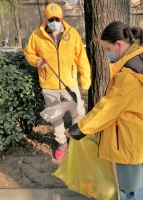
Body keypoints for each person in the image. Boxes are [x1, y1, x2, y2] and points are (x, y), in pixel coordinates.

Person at [65, 21, 143, 200]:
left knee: (131, 190)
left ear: (119, 44)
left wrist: (81, 128)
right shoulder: (141, 61)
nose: (107, 54)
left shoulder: (129, 75)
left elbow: (109, 107)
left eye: (107, 48)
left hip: (131, 139)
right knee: (142, 187)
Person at [24, 2, 91, 160]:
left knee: (78, 112)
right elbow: (29, 53)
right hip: (49, 85)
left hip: (70, 84)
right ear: (45, 18)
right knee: (55, 116)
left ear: (62, 17)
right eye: (51, 18)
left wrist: (85, 81)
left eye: (57, 18)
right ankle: (61, 142)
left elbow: (82, 59)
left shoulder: (72, 33)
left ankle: (75, 140)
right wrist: (37, 61)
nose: (54, 21)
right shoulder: (36, 35)